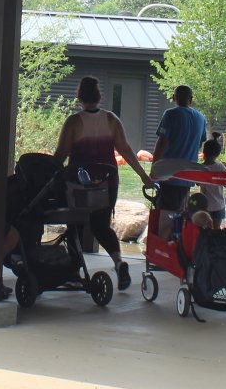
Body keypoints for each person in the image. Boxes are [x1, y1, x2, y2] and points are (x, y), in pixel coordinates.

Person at [53, 76, 152, 290]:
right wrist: (144, 177)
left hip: (78, 185)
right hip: (107, 184)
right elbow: (125, 150)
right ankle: (118, 262)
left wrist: (47, 172)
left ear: (79, 97)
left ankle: (74, 271)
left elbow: (60, 153)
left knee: (75, 225)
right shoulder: (112, 119)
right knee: (101, 226)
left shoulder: (73, 122)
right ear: (99, 96)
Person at [153, 85, 207, 224]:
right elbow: (200, 143)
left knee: (166, 216)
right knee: (182, 213)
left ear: (174, 98)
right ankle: (179, 242)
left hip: (169, 176)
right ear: (191, 99)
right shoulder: (201, 118)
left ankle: (166, 243)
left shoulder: (170, 114)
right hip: (188, 177)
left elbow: (162, 143)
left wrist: (154, 168)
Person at [191, 133, 226, 229]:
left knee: (204, 229)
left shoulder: (200, 168)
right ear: (217, 154)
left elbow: (197, 183)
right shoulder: (220, 166)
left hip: (205, 205)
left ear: (204, 152)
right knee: (216, 229)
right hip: (219, 205)